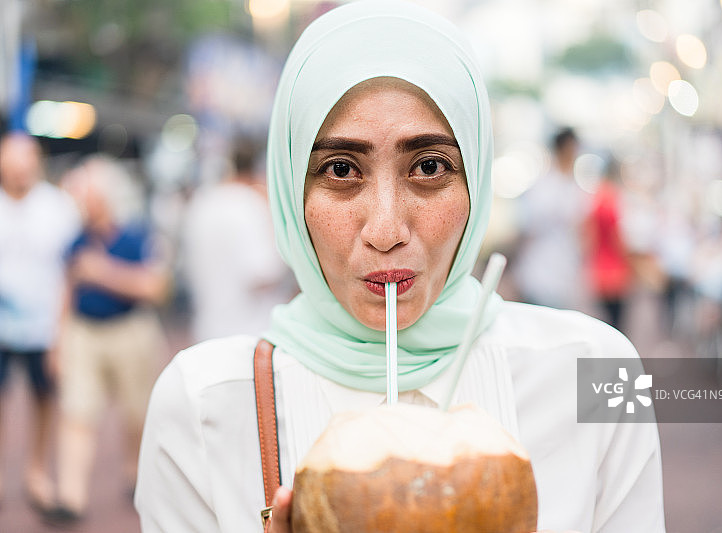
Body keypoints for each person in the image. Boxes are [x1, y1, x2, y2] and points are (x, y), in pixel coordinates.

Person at [135, 2, 665, 533]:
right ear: (291, 185)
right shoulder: (203, 403)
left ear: (475, 180)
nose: (386, 229)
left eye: (429, 166)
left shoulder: (598, 371)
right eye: (341, 169)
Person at [44, 155, 170, 526]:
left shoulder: (136, 235)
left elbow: (154, 286)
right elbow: (65, 291)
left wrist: (102, 273)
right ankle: (71, 495)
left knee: (137, 412)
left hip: (130, 332)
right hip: (85, 334)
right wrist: (58, 341)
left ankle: (135, 473)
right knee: (77, 413)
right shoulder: (75, 240)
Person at [0, 132, 81, 511]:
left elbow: (70, 273)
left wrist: (61, 336)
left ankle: (36, 470)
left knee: (43, 400)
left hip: (42, 326)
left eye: (26, 166)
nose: (20, 174)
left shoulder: (57, 207)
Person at [181, 137, 294, 342]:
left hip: (206, 328)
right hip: (249, 334)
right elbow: (264, 273)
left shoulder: (202, 200)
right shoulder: (250, 205)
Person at [512, 126, 590, 311]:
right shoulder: (544, 186)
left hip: (564, 268)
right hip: (540, 267)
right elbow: (529, 227)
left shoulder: (574, 186)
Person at [583, 158, 631, 331]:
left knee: (606, 322)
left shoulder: (596, 197)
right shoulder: (612, 198)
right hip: (615, 270)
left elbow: (587, 234)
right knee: (618, 323)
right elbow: (618, 236)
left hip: (599, 268)